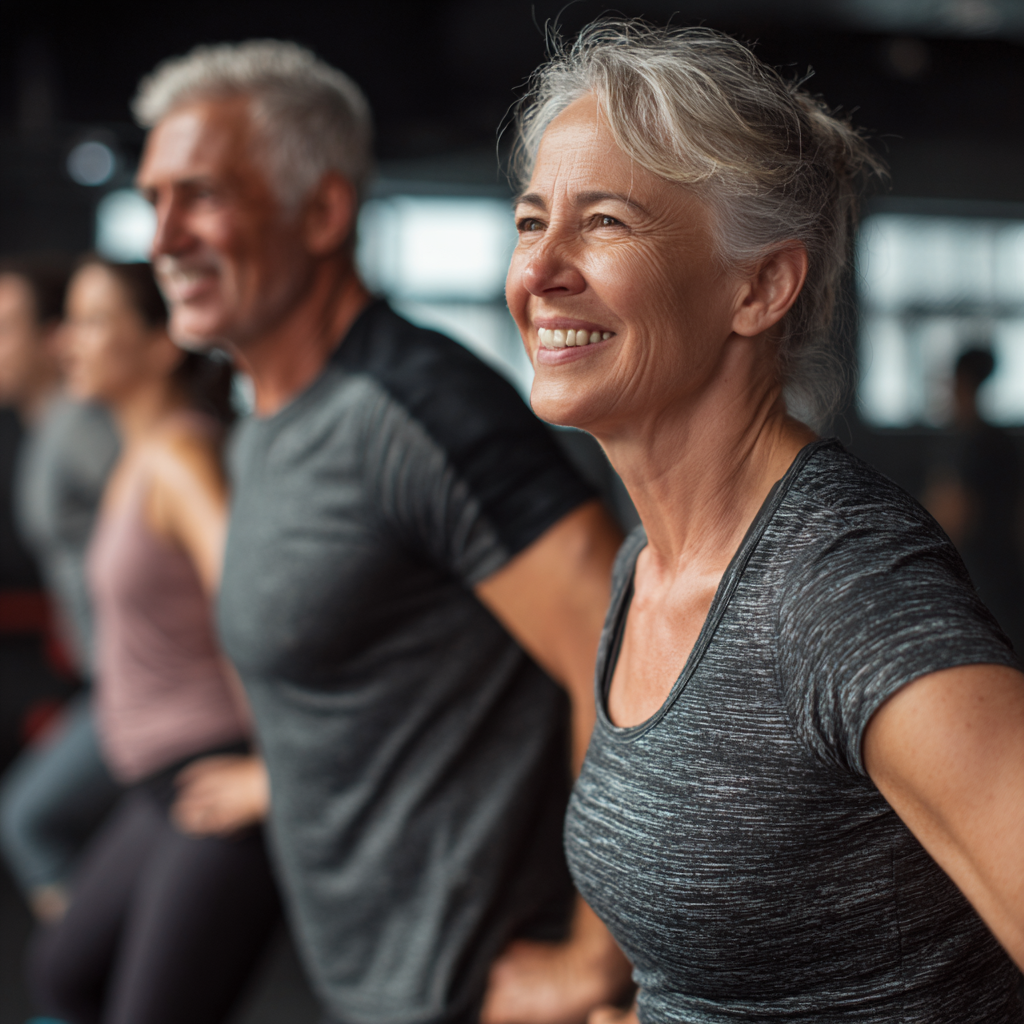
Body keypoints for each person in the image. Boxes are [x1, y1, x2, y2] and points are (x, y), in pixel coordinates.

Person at [505, 20, 1024, 1023]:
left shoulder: (840, 588)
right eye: (532, 222)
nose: (540, 271)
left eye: (603, 222)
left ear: (760, 285)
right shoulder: (644, 567)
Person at [132, 40, 631, 1024]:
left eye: (201, 196)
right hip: (369, 977)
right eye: (155, 200)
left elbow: (623, 655)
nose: (165, 236)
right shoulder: (266, 415)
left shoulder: (418, 412)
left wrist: (593, 958)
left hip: (476, 981)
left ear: (323, 212)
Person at [29, 258, 279, 1024]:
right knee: (64, 974)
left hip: (212, 776)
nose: (69, 341)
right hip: (155, 784)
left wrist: (274, 773)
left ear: (161, 343)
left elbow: (261, 608)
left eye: (96, 319)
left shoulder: (181, 457)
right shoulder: (138, 456)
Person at [0, 257, 120, 922]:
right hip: (106, 678)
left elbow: (156, 523)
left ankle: (91, 973)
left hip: (138, 683)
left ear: (54, 339)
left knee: (28, 822)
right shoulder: (47, 427)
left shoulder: (79, 426)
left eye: (6, 328)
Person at [924, 346, 1024, 652]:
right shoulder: (999, 441)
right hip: (1005, 578)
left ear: (961, 382)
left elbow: (953, 516)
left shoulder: (972, 444)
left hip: (982, 583)